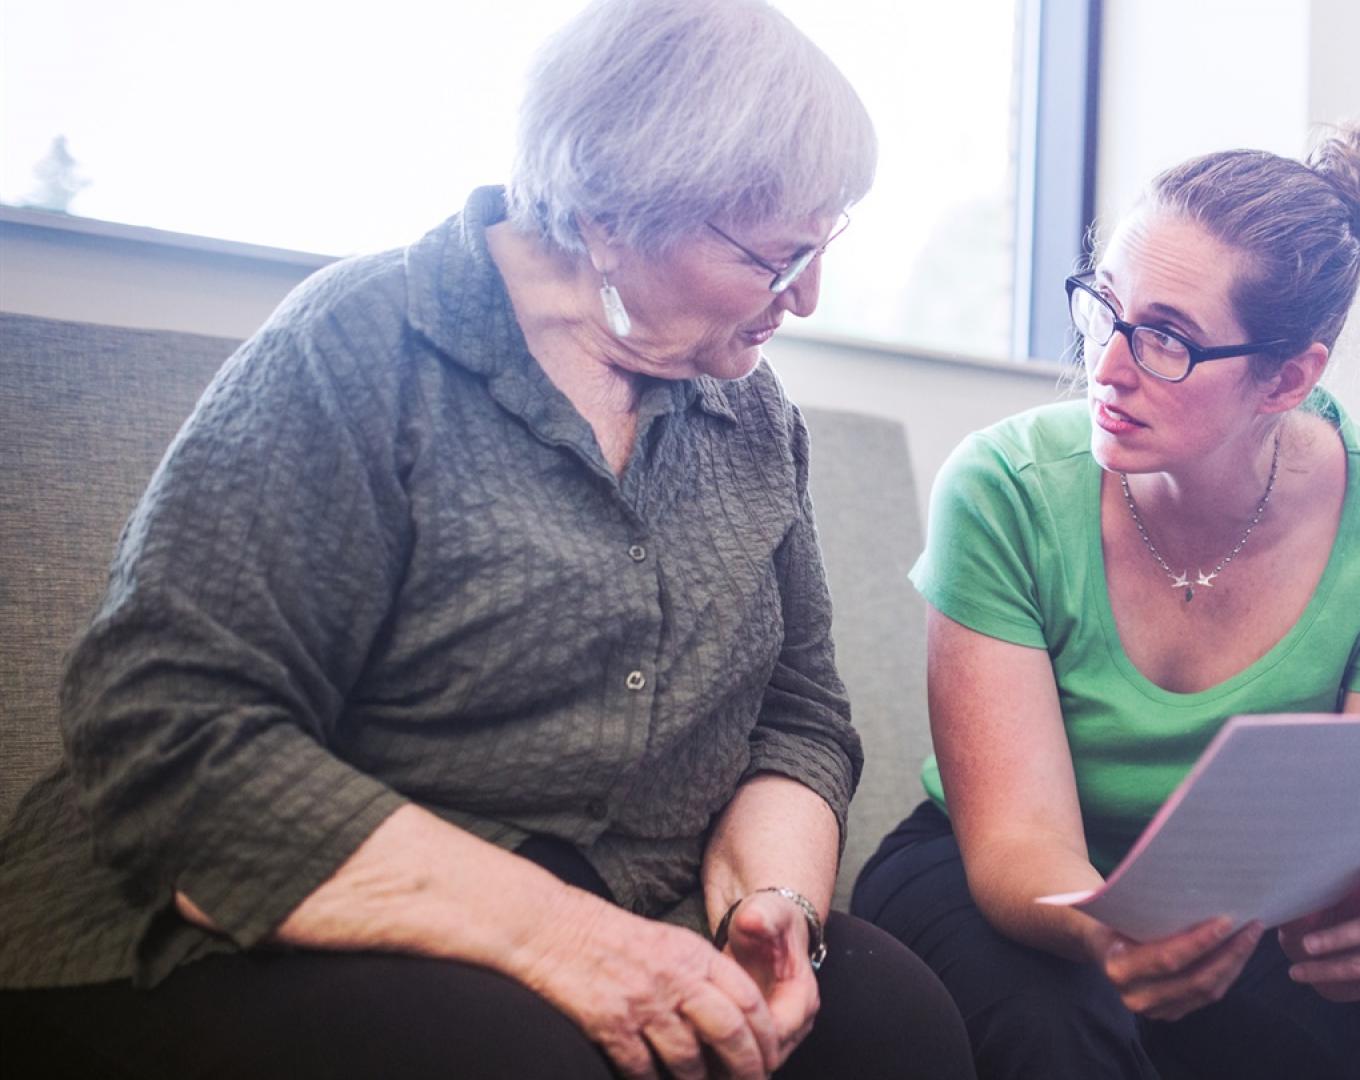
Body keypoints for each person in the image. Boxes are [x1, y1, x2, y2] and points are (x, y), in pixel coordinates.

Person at [0, 2, 975, 1078]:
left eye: (821, 247)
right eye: (772, 258)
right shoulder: (364, 349)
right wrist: (567, 939)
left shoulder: (748, 416)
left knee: (895, 1024)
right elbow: (168, 733)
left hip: (634, 897)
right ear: (613, 211)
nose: (807, 298)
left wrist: (777, 905)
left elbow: (797, 715)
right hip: (277, 914)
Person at [851, 125, 1360, 1079]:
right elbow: (1018, 840)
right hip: (1008, 878)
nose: (1107, 367)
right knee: (1067, 1022)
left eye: (1166, 338)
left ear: (1289, 376)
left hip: (1240, 901)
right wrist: (1115, 942)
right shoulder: (1004, 485)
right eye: (1105, 310)